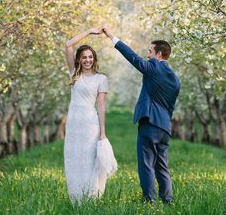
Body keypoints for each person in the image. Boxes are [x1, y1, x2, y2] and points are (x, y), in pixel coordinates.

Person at [102, 26, 180, 204]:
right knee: (162, 166)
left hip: (150, 124)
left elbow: (133, 58)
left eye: (150, 51)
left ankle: (149, 202)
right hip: (165, 127)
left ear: (159, 55)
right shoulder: (175, 78)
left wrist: (112, 37)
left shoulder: (154, 67)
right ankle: (168, 201)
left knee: (146, 164)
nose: (147, 54)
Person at [64, 28, 117, 204]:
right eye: (84, 57)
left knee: (89, 161)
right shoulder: (74, 74)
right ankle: (76, 199)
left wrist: (102, 133)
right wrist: (89, 32)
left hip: (90, 125)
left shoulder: (101, 79)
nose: (87, 60)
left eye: (90, 57)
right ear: (79, 59)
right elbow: (68, 44)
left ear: (94, 59)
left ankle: (91, 197)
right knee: (74, 161)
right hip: (73, 124)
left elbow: (101, 106)